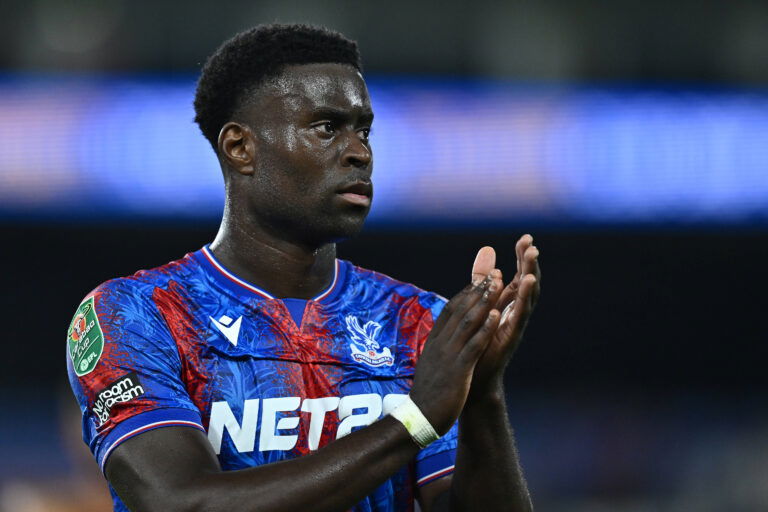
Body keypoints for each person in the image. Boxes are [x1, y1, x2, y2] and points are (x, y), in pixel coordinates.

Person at [66, 23, 541, 512]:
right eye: (326, 128)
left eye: (363, 130)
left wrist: (482, 395)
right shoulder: (137, 315)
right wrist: (413, 421)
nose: (359, 152)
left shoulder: (417, 321)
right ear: (240, 148)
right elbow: (181, 503)